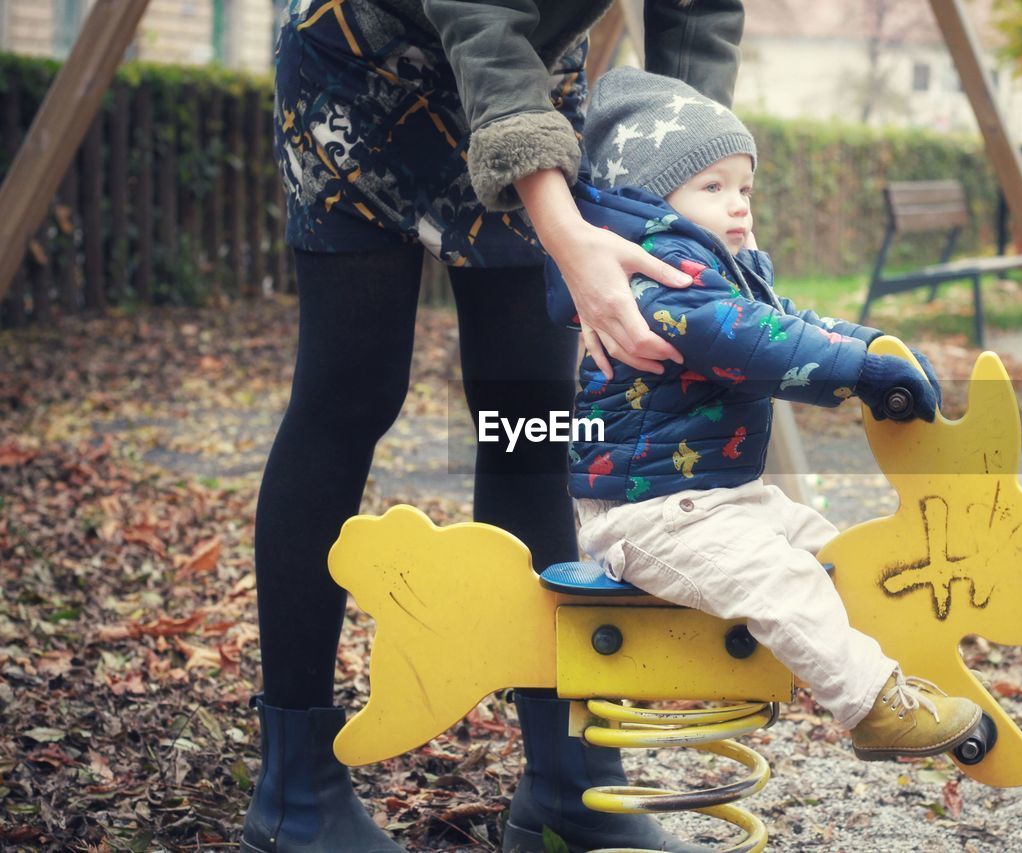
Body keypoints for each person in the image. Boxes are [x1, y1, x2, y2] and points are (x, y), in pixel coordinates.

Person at [246, 3, 743, 852]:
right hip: (357, 56)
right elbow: (477, 17)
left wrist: (675, 177)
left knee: (531, 412)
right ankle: (296, 788)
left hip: (531, 71)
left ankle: (567, 779)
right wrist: (569, 238)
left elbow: (697, 11)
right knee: (350, 392)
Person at [546, 67, 984, 761]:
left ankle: (897, 672)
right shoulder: (656, 275)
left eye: (744, 186)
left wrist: (867, 344)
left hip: (716, 497)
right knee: (787, 578)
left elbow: (782, 319)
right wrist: (856, 371)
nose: (740, 204)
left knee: (833, 554)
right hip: (647, 515)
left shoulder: (724, 263)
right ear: (650, 198)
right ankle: (872, 707)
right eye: (713, 187)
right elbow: (744, 337)